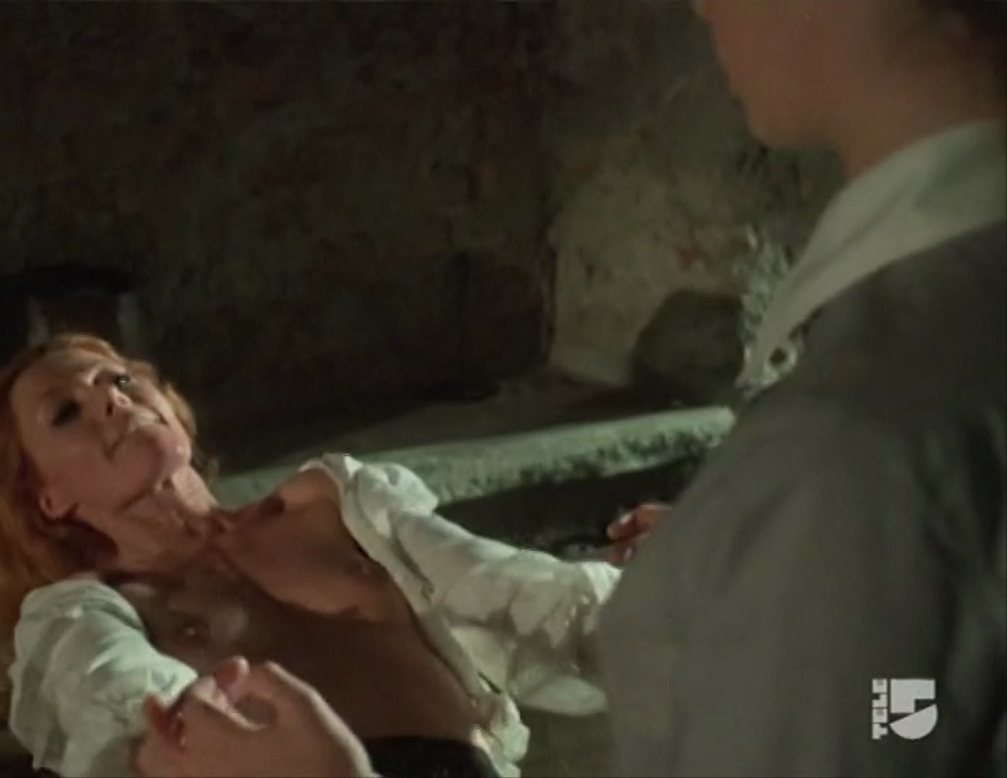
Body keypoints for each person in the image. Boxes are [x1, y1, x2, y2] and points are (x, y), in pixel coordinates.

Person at [136, 0, 1007, 775]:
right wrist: (775, 582)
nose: (699, 7)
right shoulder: (902, 379)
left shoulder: (864, 423)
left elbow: (894, 722)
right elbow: (914, 702)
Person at [0, 333, 649, 778]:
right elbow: (131, 718)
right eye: (66, 411)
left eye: (120, 379)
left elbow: (513, 592)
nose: (112, 403)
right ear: (48, 499)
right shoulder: (88, 615)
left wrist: (672, 577)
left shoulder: (337, 501)